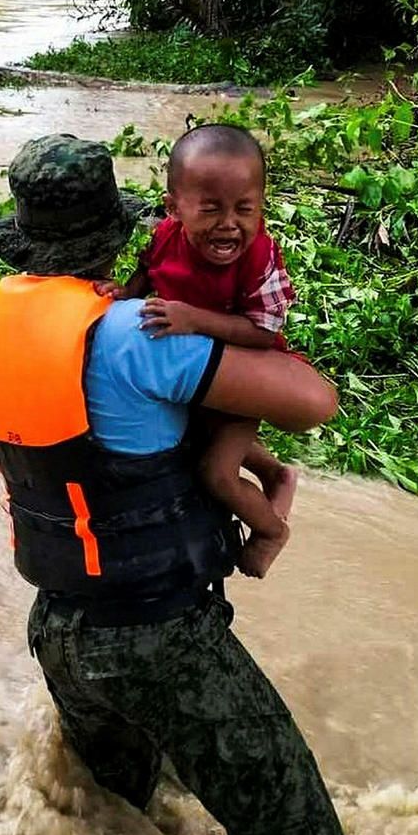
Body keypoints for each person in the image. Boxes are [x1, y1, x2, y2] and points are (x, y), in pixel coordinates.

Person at [0, 135, 349, 835]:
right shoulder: (132, 333)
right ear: (121, 233)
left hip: (59, 627)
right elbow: (314, 402)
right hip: (157, 633)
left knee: (121, 828)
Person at [102, 124, 299, 574]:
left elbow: (264, 332)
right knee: (196, 445)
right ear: (173, 209)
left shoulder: (261, 257)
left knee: (217, 473)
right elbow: (143, 282)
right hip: (193, 376)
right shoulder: (163, 238)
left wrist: (192, 319)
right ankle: (277, 473)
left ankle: (271, 530)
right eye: (210, 209)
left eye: (245, 209)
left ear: (261, 207)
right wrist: (119, 295)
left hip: (245, 376)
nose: (229, 224)